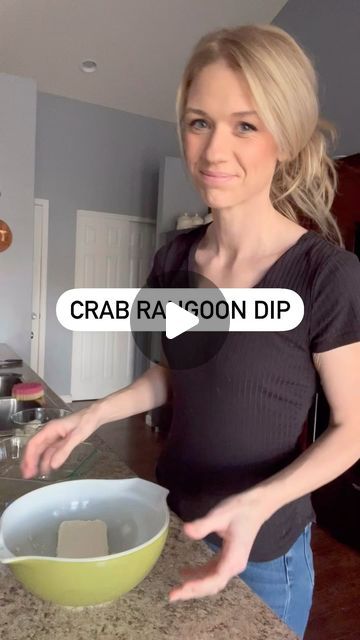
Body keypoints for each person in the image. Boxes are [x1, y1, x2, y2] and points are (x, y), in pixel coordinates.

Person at [21, 25, 360, 639]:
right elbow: (167, 378)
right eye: (199, 122)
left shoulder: (324, 274)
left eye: (245, 125)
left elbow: (352, 429)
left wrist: (259, 504)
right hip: (175, 522)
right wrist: (90, 416)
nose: (213, 150)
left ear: (286, 138)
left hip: (267, 553)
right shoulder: (176, 261)